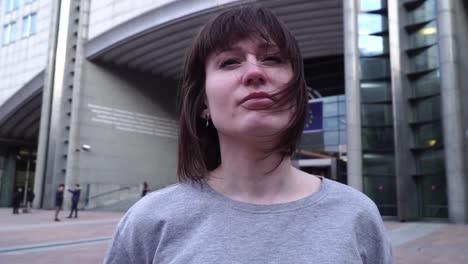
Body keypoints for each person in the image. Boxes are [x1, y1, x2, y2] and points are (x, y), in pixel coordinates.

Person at [104, 5, 392, 263]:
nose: (254, 72)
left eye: (272, 59)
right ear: (203, 102)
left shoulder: (356, 215)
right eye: (230, 62)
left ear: (297, 94)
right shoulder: (150, 221)